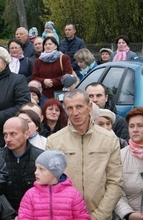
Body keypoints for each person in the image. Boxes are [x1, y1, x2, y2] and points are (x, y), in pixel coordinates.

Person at [46, 89, 123, 219]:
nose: (75, 112)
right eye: (70, 108)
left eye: (79, 107)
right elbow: (50, 183)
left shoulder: (109, 139)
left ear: (90, 107)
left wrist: (98, 216)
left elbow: (115, 182)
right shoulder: (54, 141)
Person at [18, 150, 90, 219]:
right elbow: (24, 217)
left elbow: (81, 217)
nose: (36, 172)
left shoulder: (73, 195)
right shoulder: (30, 195)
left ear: (54, 172)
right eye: (36, 168)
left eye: (41, 169)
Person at [2, 117, 44, 218]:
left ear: (26, 134)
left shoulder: (40, 157)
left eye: (13, 134)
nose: (8, 139)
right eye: (5, 135)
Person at [114, 107, 143, 220]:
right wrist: (129, 215)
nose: (135, 130)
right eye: (131, 126)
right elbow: (116, 192)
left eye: (140, 126)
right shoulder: (119, 157)